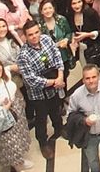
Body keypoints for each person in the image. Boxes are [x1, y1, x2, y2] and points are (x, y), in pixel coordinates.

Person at [17, 22, 68, 158]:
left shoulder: (46, 39)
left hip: (55, 85)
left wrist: (60, 76)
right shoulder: (23, 55)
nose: (34, 36)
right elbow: (30, 79)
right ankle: (43, 142)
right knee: (41, 117)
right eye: (30, 35)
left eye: (36, 32)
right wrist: (53, 82)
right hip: (38, 94)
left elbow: (57, 57)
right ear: (26, 36)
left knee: (56, 109)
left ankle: (59, 127)